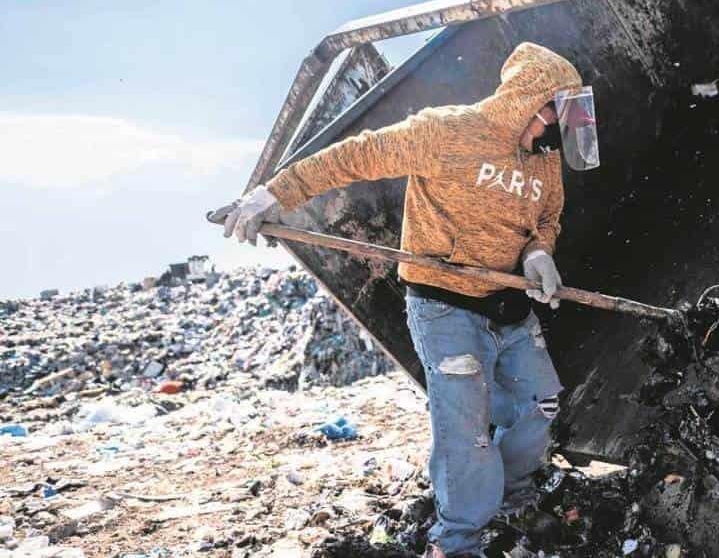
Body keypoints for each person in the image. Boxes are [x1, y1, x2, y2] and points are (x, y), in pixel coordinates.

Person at [212, 42, 599, 557]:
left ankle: (512, 497)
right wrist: (276, 194)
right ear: (526, 100)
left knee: (540, 404)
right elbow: (355, 156)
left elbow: (545, 219)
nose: (557, 128)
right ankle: (457, 540)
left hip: (506, 301)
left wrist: (537, 254)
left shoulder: (546, 162)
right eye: (556, 111)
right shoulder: (445, 131)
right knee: (467, 432)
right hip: (443, 304)